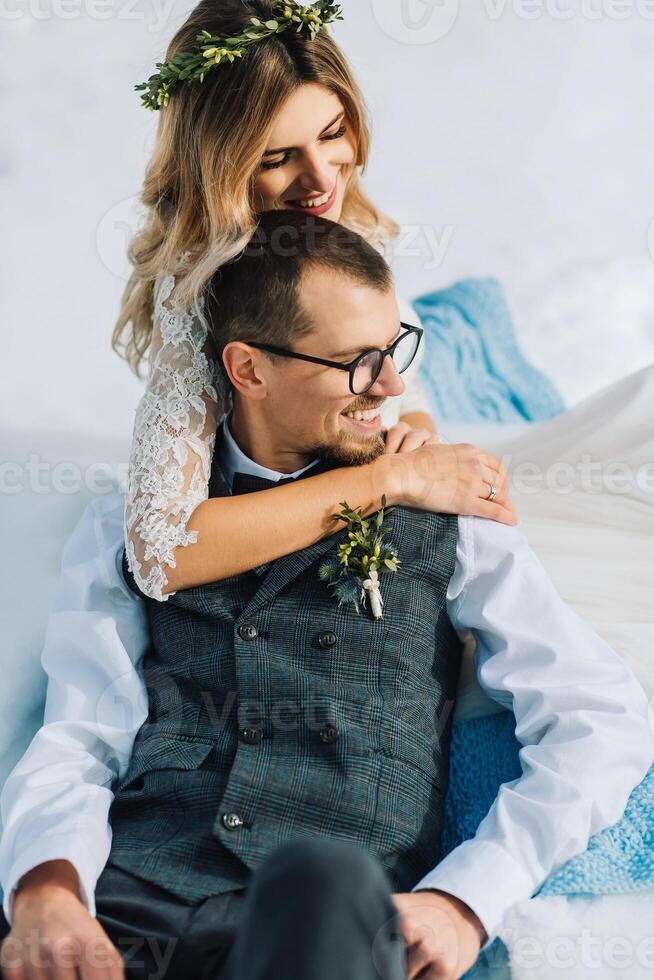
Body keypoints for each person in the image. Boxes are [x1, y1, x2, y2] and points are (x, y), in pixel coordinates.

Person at [2, 212, 652, 980]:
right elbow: (81, 735)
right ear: (248, 369)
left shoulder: (447, 510)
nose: (393, 387)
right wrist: (46, 888)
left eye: (395, 349)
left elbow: (599, 717)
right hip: (133, 908)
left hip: (334, 917)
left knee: (317, 875)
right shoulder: (135, 526)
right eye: (358, 361)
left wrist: (467, 901)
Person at [112, 0, 516, 605]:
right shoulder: (196, 293)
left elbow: (407, 396)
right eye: (277, 158)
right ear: (223, 167)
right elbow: (161, 551)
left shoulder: (339, 216)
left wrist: (414, 439)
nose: (324, 178)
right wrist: (390, 478)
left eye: (333, 134)